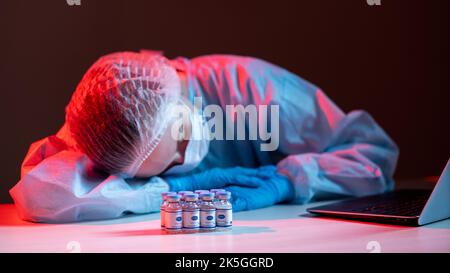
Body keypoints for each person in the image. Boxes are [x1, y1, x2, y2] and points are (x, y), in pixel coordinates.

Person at [9, 51, 399, 223]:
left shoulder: (254, 90)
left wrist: (290, 180)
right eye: (164, 168)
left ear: (177, 96)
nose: (185, 161)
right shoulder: (103, 124)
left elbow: (375, 154)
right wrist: (179, 189)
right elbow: (41, 195)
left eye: (181, 138)